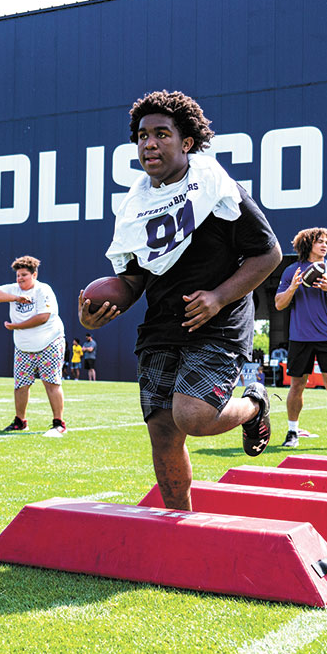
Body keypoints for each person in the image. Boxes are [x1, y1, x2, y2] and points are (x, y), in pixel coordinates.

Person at [79, 90, 281, 510]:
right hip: (162, 323)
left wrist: (218, 296)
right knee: (163, 431)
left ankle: (255, 403)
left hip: (218, 320)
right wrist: (100, 313)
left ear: (186, 142)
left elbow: (269, 254)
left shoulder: (218, 187)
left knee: (194, 416)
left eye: (161, 134)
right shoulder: (137, 204)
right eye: (141, 135)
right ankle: (179, 524)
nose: (148, 143)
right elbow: (134, 280)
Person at [274, 227, 327, 451]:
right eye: (320, 241)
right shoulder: (292, 270)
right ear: (308, 244)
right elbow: (279, 304)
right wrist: (292, 288)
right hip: (300, 337)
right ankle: (292, 431)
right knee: (297, 384)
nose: (324, 245)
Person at [0, 255, 68, 434]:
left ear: (34, 275)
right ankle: (20, 421)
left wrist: (16, 326)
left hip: (49, 342)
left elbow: (43, 317)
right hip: (24, 346)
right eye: (18, 275)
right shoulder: (14, 289)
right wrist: (16, 297)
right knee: (21, 385)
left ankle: (59, 422)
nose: (20, 278)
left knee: (51, 382)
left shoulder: (43, 290)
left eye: (24, 274)